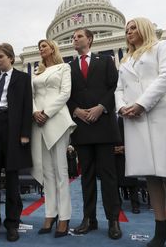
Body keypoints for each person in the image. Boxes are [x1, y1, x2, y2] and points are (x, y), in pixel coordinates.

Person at [115, 17, 166, 247]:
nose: (129, 32)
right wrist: (121, 107)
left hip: (159, 114)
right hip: (134, 119)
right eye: (126, 29)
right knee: (151, 176)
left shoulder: (161, 46)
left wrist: (141, 103)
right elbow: (119, 88)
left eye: (133, 27)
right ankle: (161, 226)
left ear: (145, 28)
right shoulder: (125, 59)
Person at [67, 28, 122, 240]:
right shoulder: (69, 66)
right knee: (86, 176)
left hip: (103, 124)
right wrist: (76, 110)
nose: (75, 39)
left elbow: (115, 87)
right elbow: (67, 94)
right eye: (73, 37)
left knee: (109, 176)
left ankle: (113, 220)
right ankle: (89, 219)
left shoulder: (106, 61)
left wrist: (102, 107)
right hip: (82, 127)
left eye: (79, 36)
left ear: (89, 39)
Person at [0, 43, 32, 243]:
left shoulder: (23, 79)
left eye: (0, 56)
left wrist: (25, 133)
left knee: (12, 177)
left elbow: (28, 106)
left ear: (10, 57)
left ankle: (12, 223)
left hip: (13, 127)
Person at [30, 39, 76, 238]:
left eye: (44, 46)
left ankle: (64, 217)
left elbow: (65, 93)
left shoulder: (64, 67)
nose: (41, 49)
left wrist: (46, 113)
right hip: (38, 121)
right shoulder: (36, 73)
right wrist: (35, 112)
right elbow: (30, 96)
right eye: (39, 47)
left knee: (60, 170)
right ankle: (50, 214)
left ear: (52, 49)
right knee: (46, 171)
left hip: (56, 119)